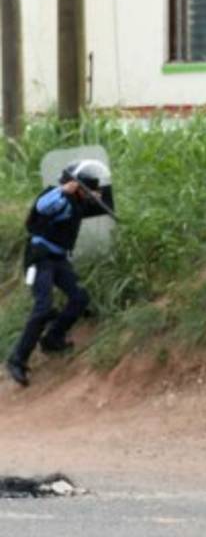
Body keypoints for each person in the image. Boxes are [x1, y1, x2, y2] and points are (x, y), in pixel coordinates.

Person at [7, 160, 114, 387]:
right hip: (39, 258)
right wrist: (63, 190)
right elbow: (42, 207)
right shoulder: (58, 198)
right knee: (43, 307)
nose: (93, 194)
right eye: (89, 189)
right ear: (76, 186)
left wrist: (98, 193)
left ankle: (53, 338)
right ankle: (17, 359)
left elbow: (104, 203)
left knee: (79, 299)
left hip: (58, 259)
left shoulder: (79, 203)